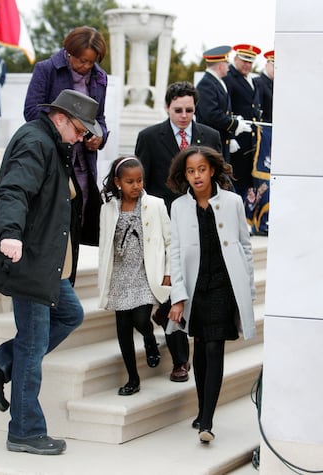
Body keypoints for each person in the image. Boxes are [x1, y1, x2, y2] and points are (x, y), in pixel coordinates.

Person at [0, 89, 103, 455]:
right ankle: (25, 430)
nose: (81, 138)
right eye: (79, 129)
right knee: (31, 344)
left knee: (70, 314)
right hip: (27, 260)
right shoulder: (35, 141)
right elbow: (14, 190)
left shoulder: (53, 143)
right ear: (61, 118)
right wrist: (10, 234)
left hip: (46, 262)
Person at [167, 145, 256, 444]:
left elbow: (245, 246)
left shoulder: (232, 202)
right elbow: (175, 253)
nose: (196, 176)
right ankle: (202, 408)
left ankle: (207, 420)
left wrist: (249, 288)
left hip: (224, 286)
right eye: (191, 171)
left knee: (215, 347)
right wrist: (178, 296)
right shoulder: (178, 207)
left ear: (213, 170)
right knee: (201, 349)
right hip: (195, 290)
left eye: (201, 169)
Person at [135, 81, 221, 383]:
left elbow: (220, 178)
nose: (184, 116)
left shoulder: (209, 136)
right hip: (166, 227)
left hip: (202, 224)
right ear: (167, 108)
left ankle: (165, 319)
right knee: (174, 291)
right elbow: (140, 182)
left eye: (189, 110)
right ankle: (181, 361)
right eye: (178, 110)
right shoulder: (148, 138)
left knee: (194, 287)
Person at [24, 26, 109, 244]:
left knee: (76, 222)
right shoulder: (46, 69)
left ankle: (68, 277)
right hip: (54, 158)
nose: (86, 66)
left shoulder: (100, 77)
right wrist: (65, 125)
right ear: (69, 52)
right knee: (52, 221)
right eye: (82, 60)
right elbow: (32, 110)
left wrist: (100, 137)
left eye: (92, 62)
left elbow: (99, 118)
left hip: (84, 164)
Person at [98, 156, 171, 396]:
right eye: (130, 181)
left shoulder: (156, 205)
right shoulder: (109, 209)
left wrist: (169, 273)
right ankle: (133, 378)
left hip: (144, 272)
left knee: (141, 320)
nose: (136, 186)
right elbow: (105, 245)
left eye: (139, 180)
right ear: (118, 182)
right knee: (123, 328)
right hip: (119, 274)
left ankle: (149, 338)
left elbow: (170, 242)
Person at [195, 45, 252, 163]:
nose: (228, 67)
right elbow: (211, 114)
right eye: (227, 63)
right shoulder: (206, 84)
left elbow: (223, 110)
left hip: (220, 140)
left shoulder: (216, 82)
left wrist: (233, 119)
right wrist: (234, 124)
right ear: (220, 66)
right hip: (210, 142)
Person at [223, 44, 261, 200]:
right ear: (236, 58)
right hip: (236, 138)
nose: (247, 65)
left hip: (249, 139)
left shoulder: (251, 79)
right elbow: (227, 108)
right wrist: (230, 136)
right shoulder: (229, 77)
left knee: (247, 183)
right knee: (235, 181)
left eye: (250, 62)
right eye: (244, 61)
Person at [246, 50, 274, 236]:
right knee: (261, 181)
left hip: (274, 139)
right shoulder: (259, 83)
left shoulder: (276, 85)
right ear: (267, 64)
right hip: (262, 138)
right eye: (273, 64)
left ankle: (266, 220)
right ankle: (259, 222)